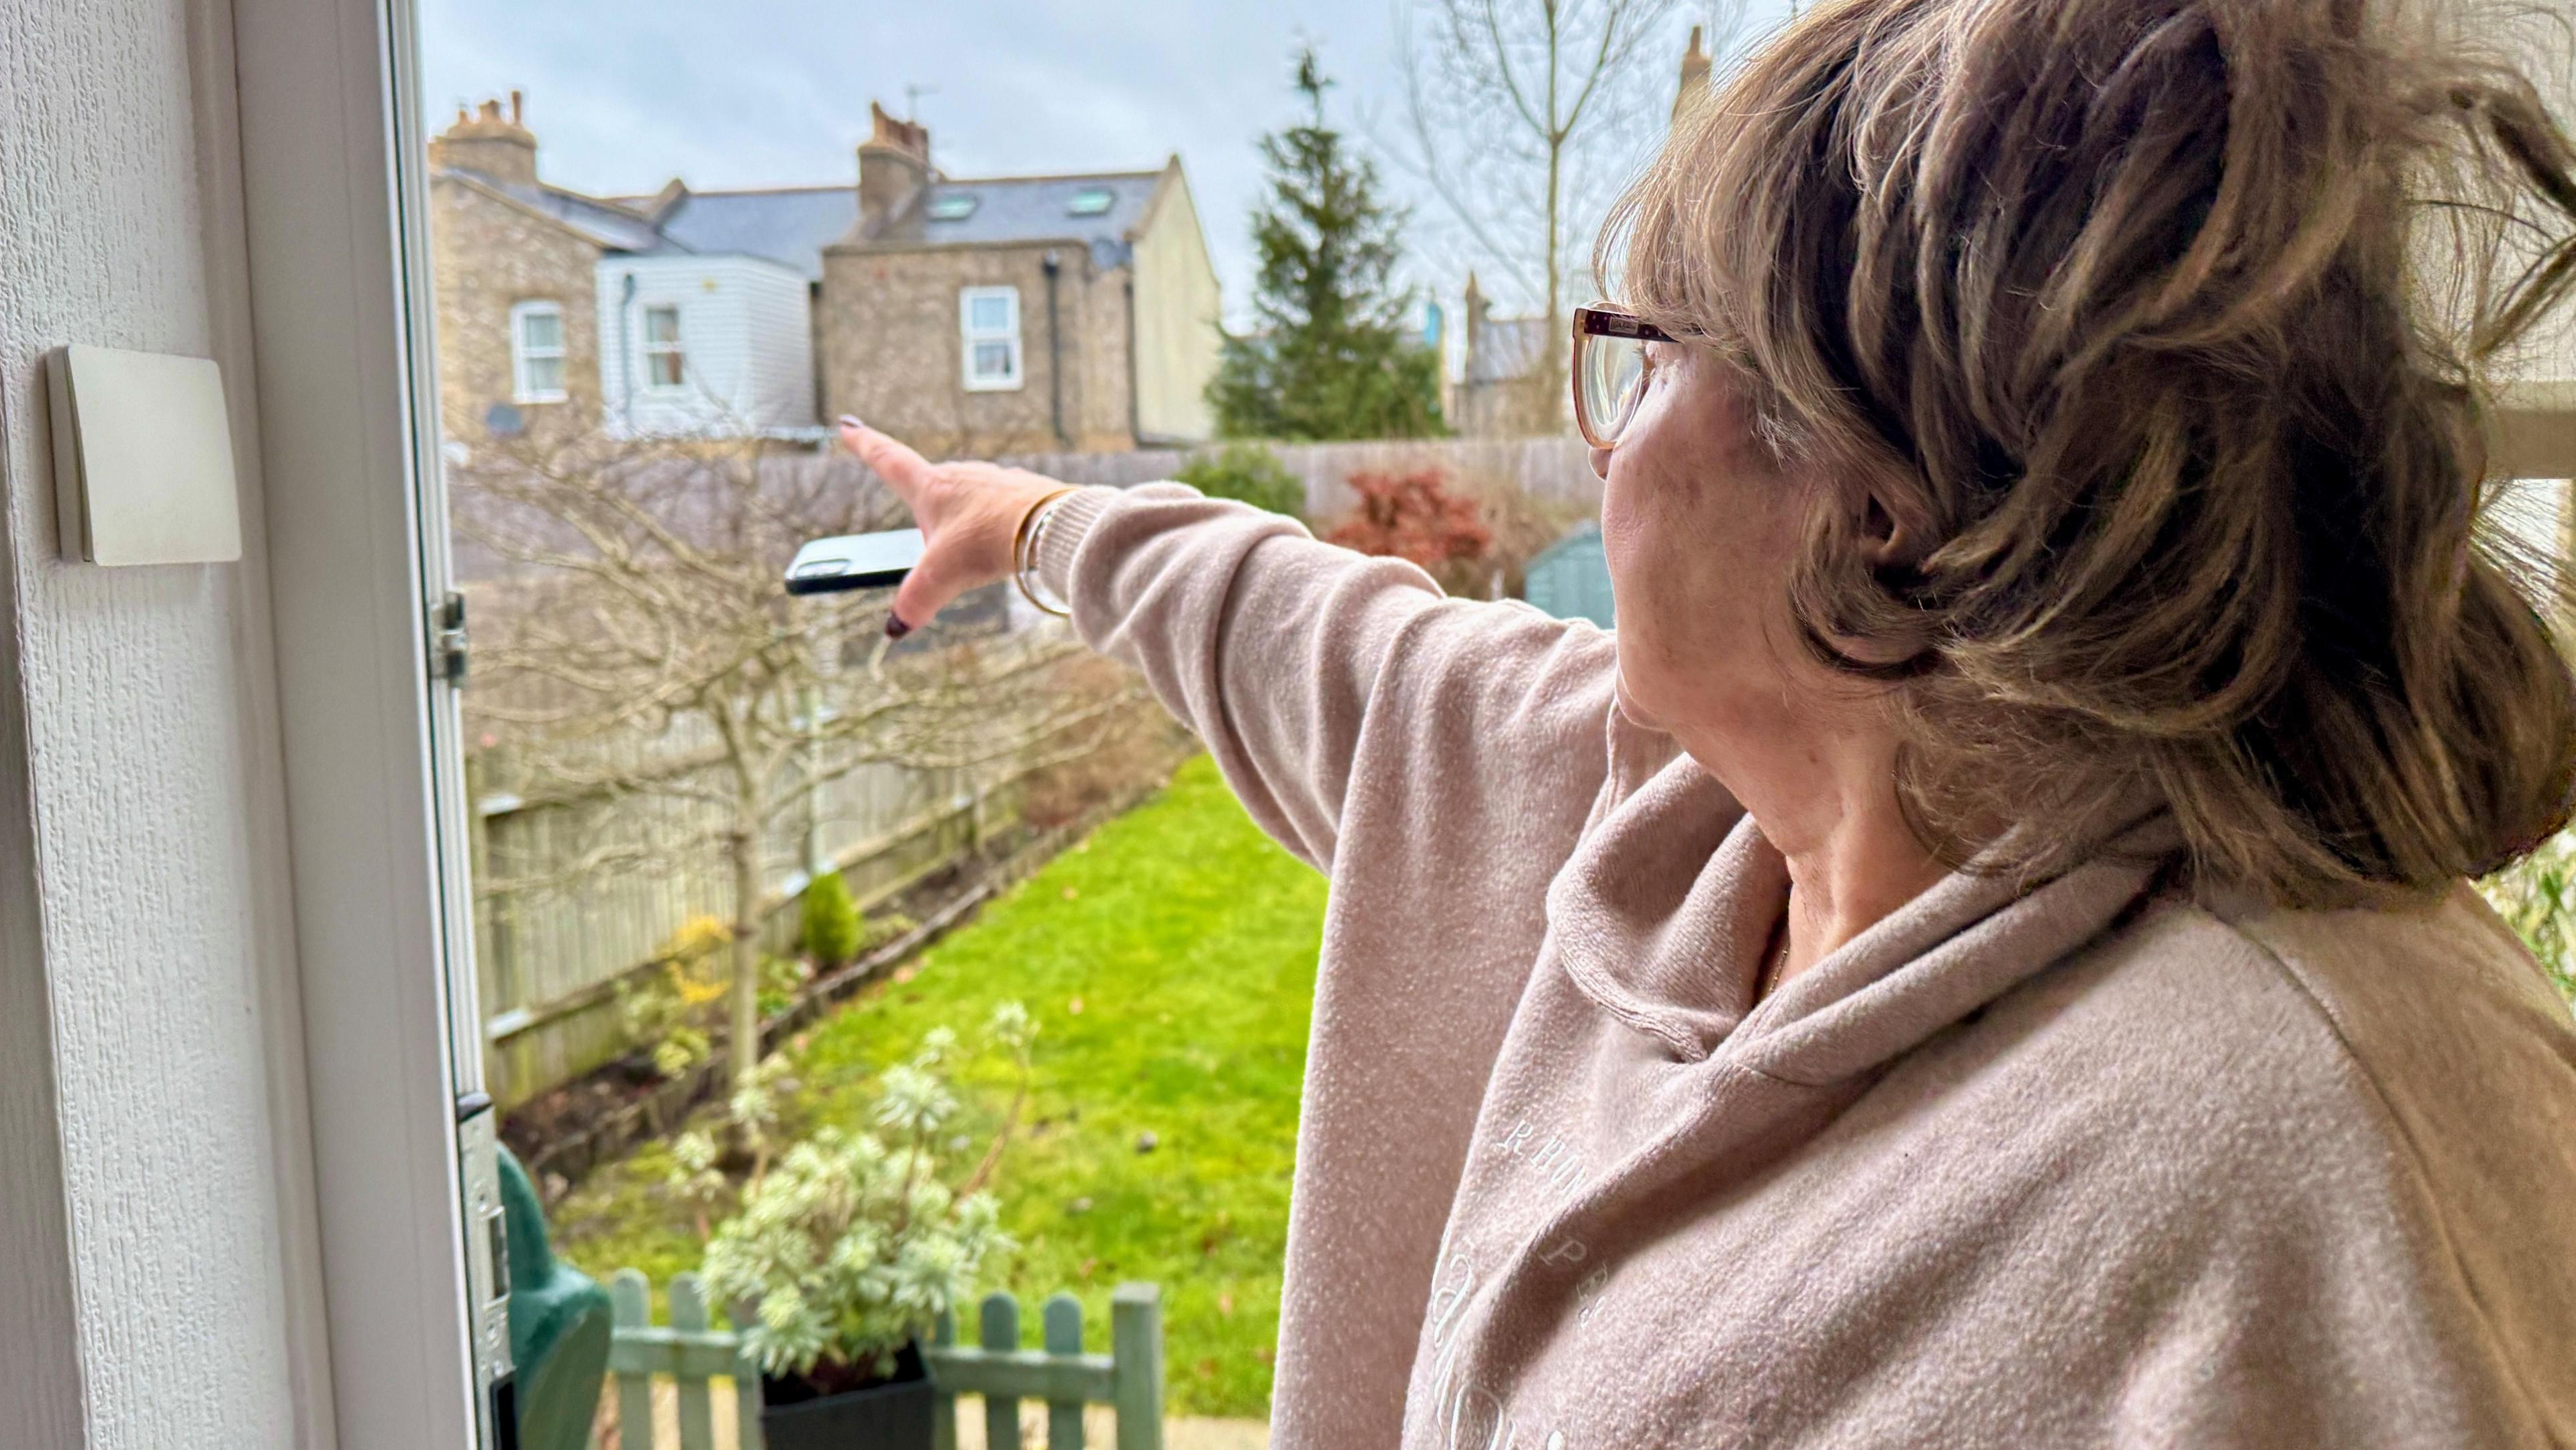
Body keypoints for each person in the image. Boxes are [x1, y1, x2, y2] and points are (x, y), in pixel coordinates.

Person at [842, 0, 2576, 1442]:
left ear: (1874, 487)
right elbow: (1319, 635)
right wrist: (1032, 530)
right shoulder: (1646, 800)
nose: (1611, 437)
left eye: (1652, 354)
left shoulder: (2326, 1159)